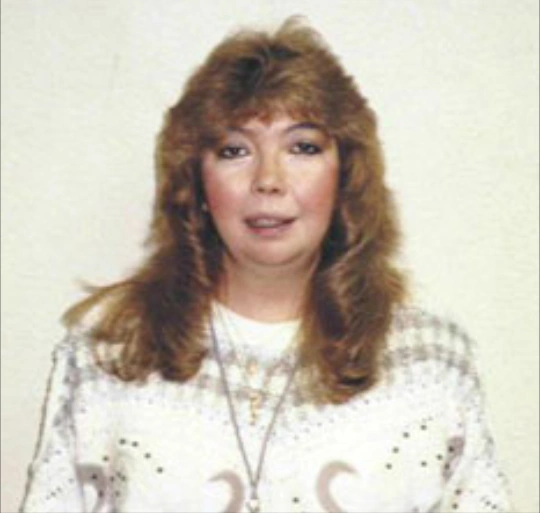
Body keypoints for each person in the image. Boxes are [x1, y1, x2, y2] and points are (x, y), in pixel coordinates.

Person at [20, 17, 512, 513]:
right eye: (235, 150)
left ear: (345, 175)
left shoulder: (429, 363)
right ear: (196, 181)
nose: (268, 180)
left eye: (303, 148)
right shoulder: (109, 355)